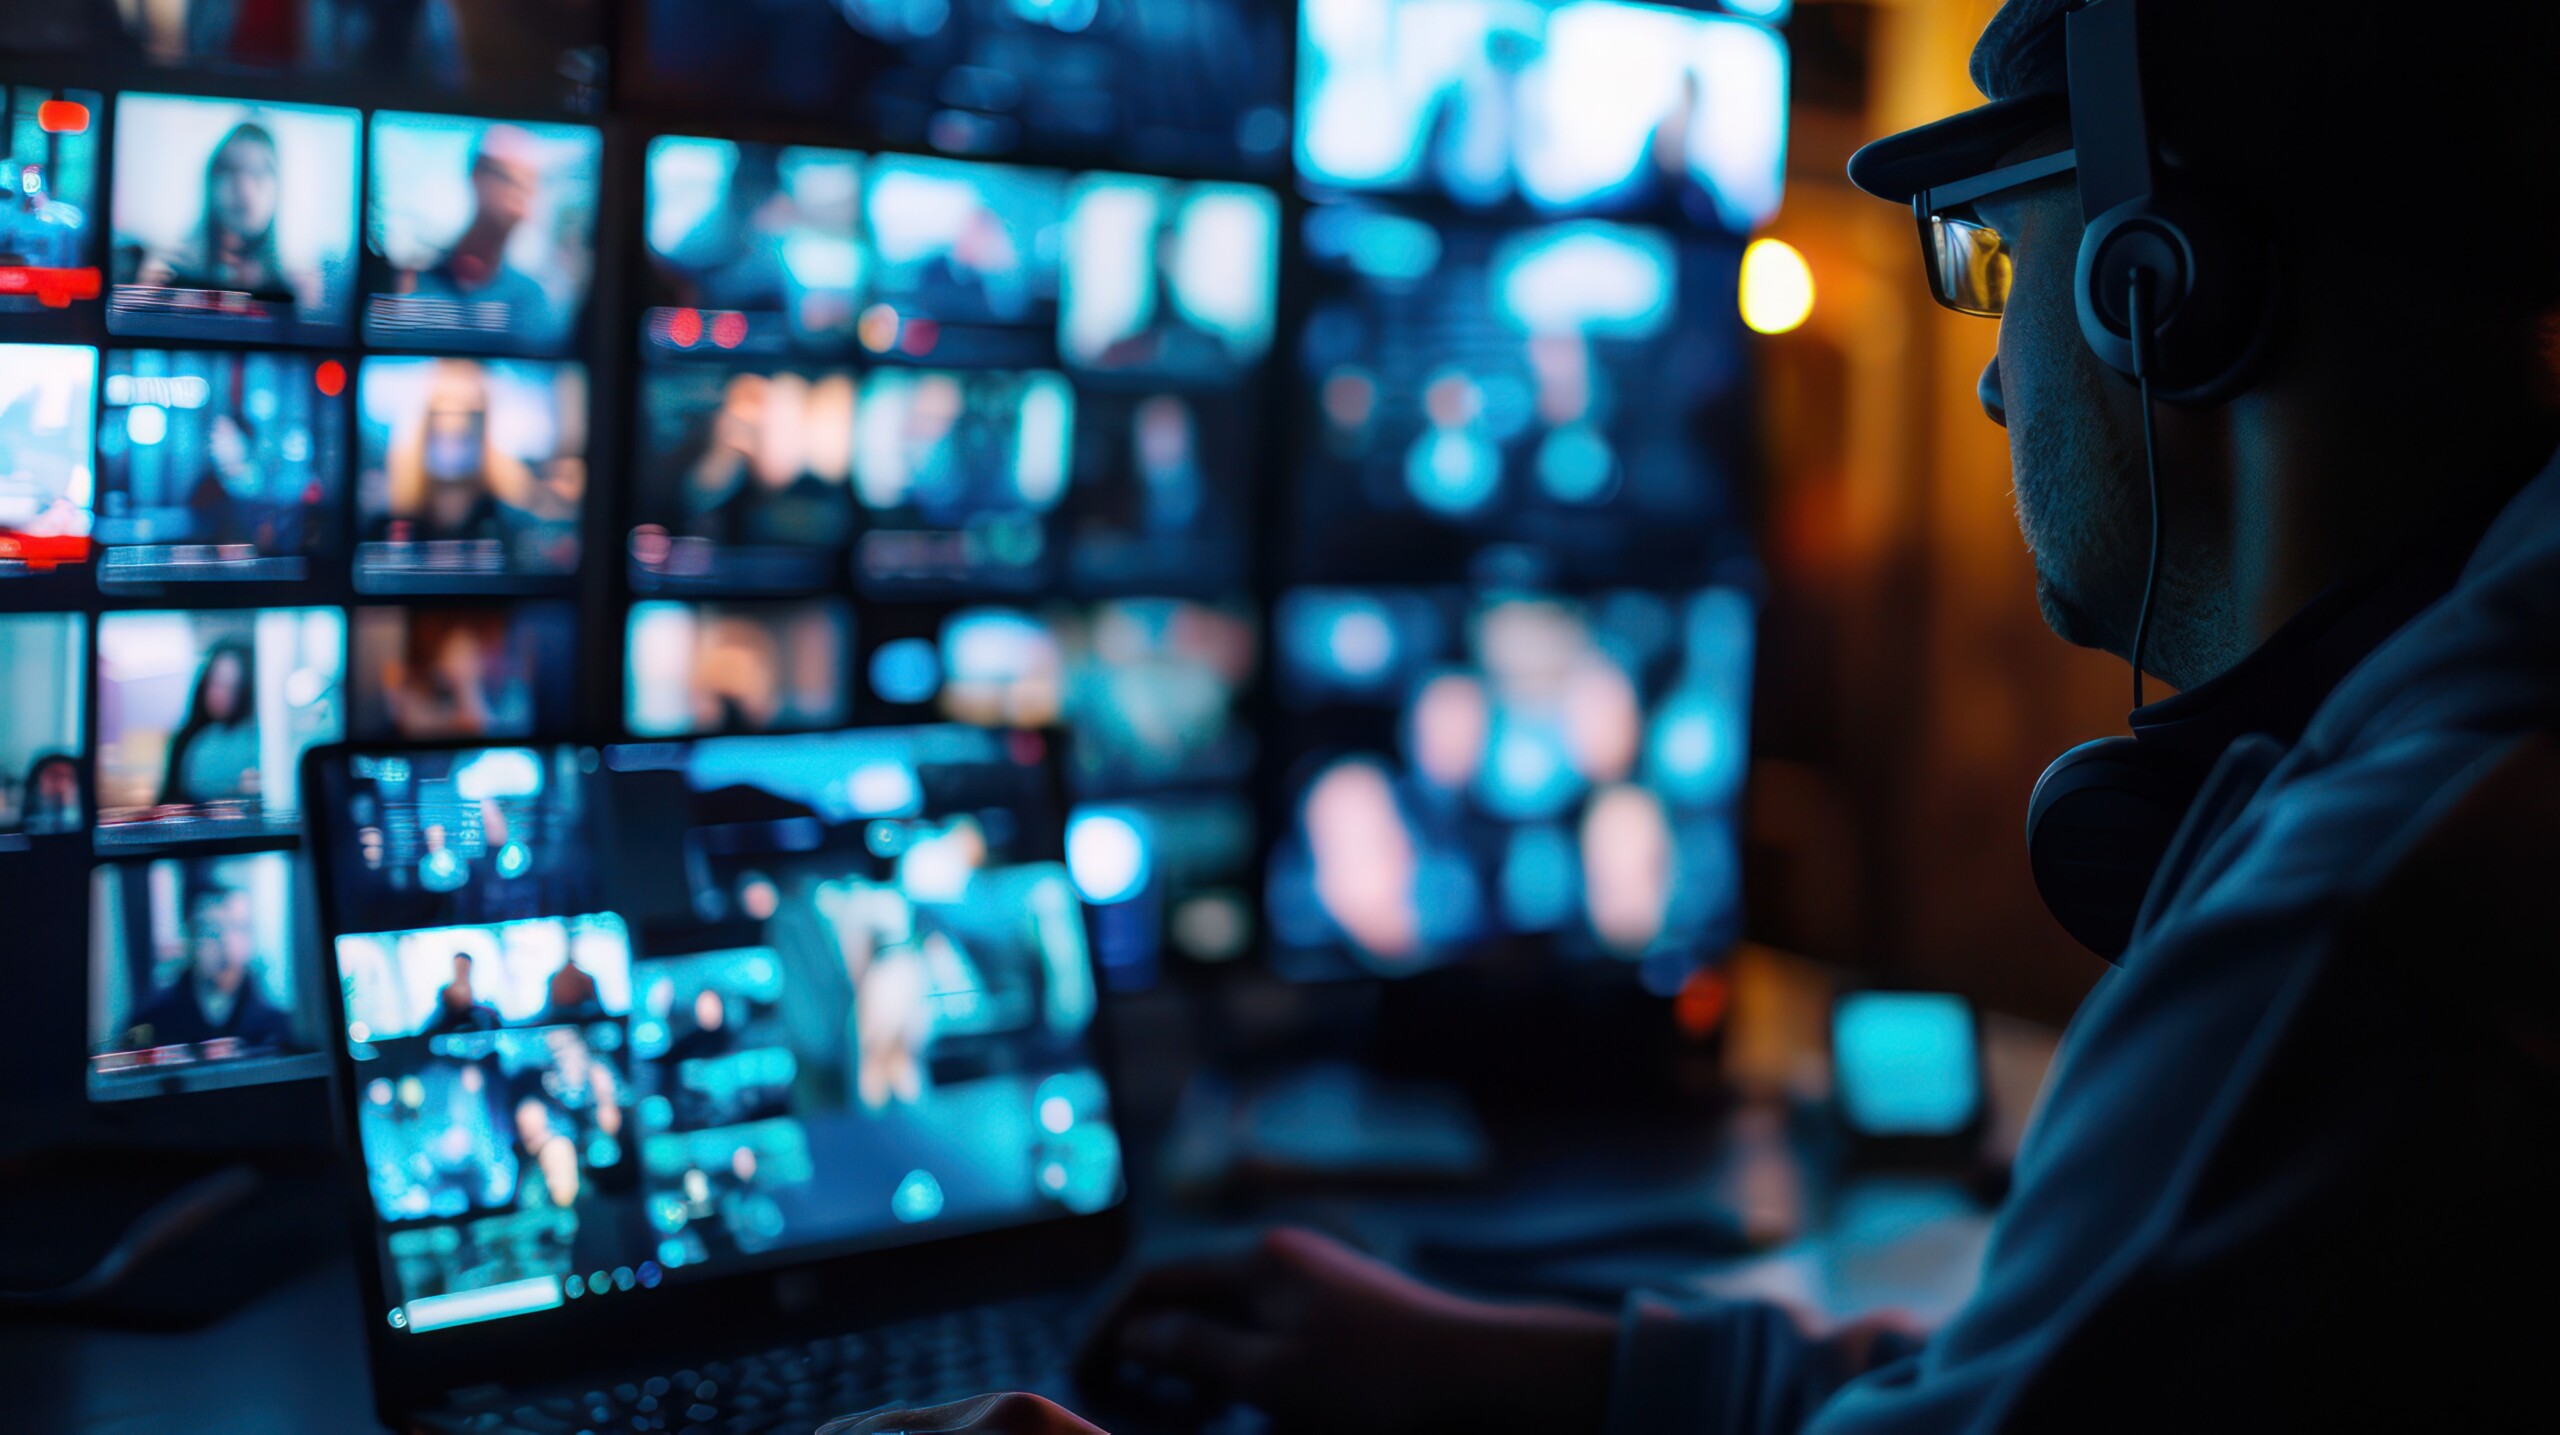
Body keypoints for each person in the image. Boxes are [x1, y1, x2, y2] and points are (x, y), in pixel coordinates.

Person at [919, 2, 2560, 1430]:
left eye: (2002, 253)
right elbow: (2032, 1380)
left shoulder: (2369, 926)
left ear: (2164, 289)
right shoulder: (2460, 758)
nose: (1993, 379)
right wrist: (1525, 1369)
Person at [123, 121, 319, 310]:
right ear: (211, 183)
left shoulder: (297, 282)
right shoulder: (172, 268)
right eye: (231, 170)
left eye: (259, 171)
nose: (244, 187)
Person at [399, 125, 564, 347]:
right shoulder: (414, 283)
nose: (520, 203)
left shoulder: (531, 301)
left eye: (529, 188)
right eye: (511, 181)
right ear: (477, 175)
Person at [376, 359, 540, 547]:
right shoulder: (386, 529)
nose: (456, 423)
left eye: (469, 407)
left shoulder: (512, 529)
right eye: (443, 402)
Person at [122, 882, 294, 1052]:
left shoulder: (279, 1028)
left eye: (239, 928)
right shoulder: (150, 1023)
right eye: (211, 930)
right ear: (190, 936)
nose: (226, 943)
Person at [158, 638, 259, 809]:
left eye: (232, 685)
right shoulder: (186, 740)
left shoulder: (259, 740)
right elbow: (167, 804)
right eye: (216, 681)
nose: (221, 693)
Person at [425, 950, 503, 1036]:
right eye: (459, 966)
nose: (461, 969)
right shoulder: (445, 996)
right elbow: (428, 1029)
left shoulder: (484, 998)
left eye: (464, 966)